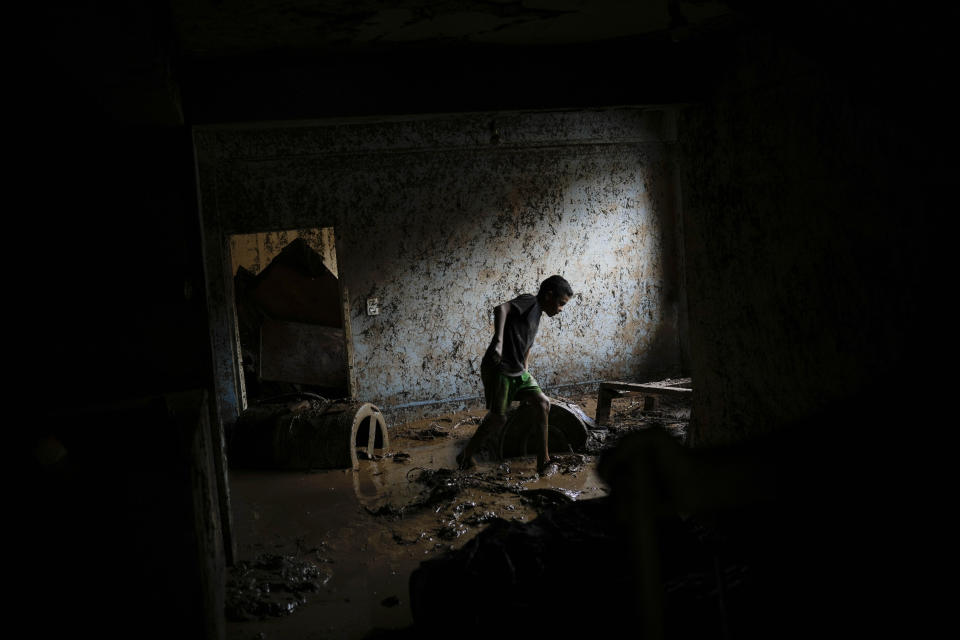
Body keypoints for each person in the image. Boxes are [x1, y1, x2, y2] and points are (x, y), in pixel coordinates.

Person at [458, 275, 573, 474]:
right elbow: (501, 308)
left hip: (518, 370)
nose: (561, 309)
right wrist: (499, 342)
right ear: (548, 296)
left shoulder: (538, 315)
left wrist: (526, 377)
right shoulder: (530, 301)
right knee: (498, 419)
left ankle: (543, 460)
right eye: (561, 303)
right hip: (501, 368)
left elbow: (526, 346)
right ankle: (465, 455)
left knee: (543, 404)